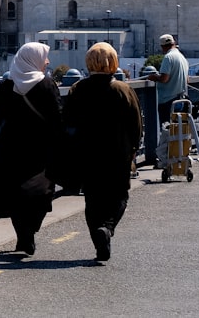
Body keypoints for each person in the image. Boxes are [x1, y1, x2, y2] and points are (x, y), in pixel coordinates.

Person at [0, 42, 62, 256]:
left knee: (16, 193)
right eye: (45, 57)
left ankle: (25, 235)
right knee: (42, 191)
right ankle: (28, 233)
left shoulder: (7, 86)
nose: (48, 62)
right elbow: (58, 117)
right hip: (40, 148)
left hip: (10, 147)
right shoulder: (47, 85)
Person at [62, 42, 143, 262]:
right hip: (118, 153)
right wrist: (134, 148)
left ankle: (99, 239)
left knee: (93, 199)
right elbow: (135, 123)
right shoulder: (122, 89)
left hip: (87, 153)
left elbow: (67, 121)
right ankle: (107, 229)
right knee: (119, 195)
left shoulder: (77, 89)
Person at [145, 33, 188, 127]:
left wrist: (153, 77)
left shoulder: (168, 57)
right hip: (181, 100)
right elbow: (186, 79)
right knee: (178, 130)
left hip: (168, 101)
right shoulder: (182, 57)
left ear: (163, 46)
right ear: (174, 43)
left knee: (166, 130)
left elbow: (164, 78)